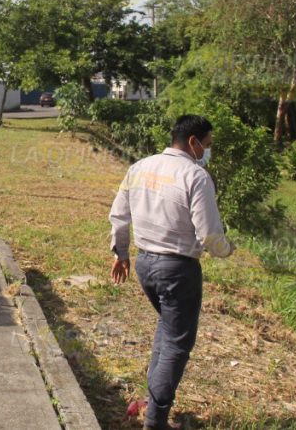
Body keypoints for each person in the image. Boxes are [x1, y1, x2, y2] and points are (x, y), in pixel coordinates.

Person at [108, 114, 233, 430]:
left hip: (145, 264)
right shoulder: (196, 176)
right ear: (193, 142)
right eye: (207, 145)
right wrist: (227, 249)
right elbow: (209, 235)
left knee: (167, 331)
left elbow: (119, 216)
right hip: (177, 269)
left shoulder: (140, 167)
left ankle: (152, 401)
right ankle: (156, 420)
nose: (207, 151)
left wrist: (121, 253)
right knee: (177, 344)